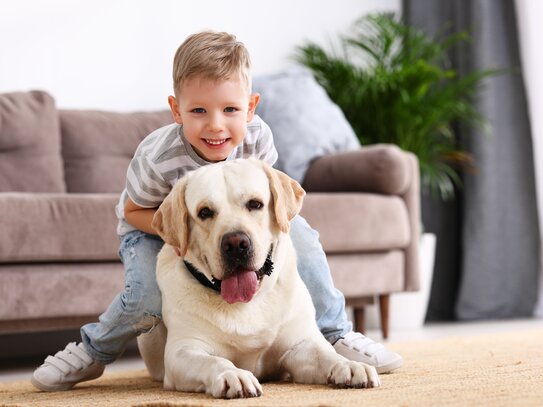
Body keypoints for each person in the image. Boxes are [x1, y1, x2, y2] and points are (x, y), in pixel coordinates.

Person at [31, 31, 403, 392]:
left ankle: (337, 333)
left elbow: (277, 198)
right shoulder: (158, 156)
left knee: (301, 236)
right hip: (149, 222)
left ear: (250, 107)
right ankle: (93, 350)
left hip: (203, 219)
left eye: (230, 110)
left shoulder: (257, 138)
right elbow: (133, 211)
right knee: (144, 293)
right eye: (198, 110)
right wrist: (179, 233)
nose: (215, 125)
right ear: (176, 110)